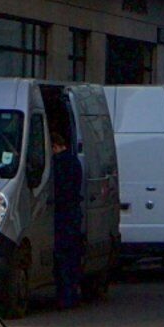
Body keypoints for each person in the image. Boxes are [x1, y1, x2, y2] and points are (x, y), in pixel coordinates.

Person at [49, 125, 90, 307]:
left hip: (62, 213)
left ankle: (65, 296)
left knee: (62, 258)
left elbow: (57, 189)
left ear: (54, 146)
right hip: (73, 212)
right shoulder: (74, 162)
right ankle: (72, 294)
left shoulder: (58, 163)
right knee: (72, 256)